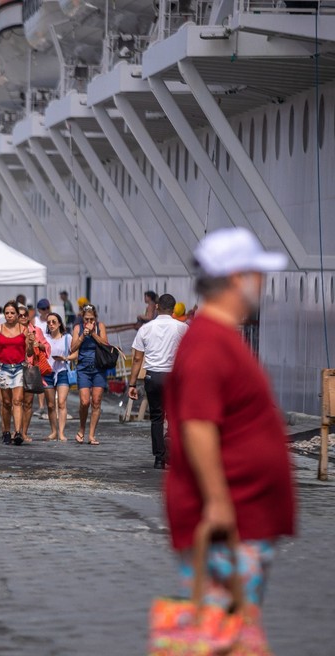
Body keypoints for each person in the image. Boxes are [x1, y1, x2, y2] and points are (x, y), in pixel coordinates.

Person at [164, 227, 294, 626]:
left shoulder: (216, 337)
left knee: (229, 628)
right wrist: (219, 501)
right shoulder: (209, 343)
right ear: (239, 278)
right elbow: (198, 424)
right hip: (230, 515)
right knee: (222, 629)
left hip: (242, 511)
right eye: (258, 273)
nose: (264, 282)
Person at [128, 293, 189, 469]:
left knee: (156, 417)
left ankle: (158, 458)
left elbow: (137, 359)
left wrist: (132, 384)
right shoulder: (182, 327)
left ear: (157, 307)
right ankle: (173, 452)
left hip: (152, 375)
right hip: (173, 376)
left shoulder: (146, 329)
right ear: (174, 309)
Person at [70, 303, 109, 445]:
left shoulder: (100, 327)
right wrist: (82, 336)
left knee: (96, 401)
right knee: (85, 401)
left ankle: (91, 434)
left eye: (91, 319)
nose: (89, 322)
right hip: (83, 368)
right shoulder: (78, 328)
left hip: (99, 367)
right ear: (82, 318)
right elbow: (72, 348)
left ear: (95, 318)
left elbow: (105, 344)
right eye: (86, 319)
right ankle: (81, 428)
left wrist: (93, 333)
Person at [0, 301, 27, 445]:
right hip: (3, 368)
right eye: (7, 313)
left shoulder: (23, 330)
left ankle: (18, 432)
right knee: (6, 402)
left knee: (17, 401)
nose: (9, 315)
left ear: (18, 315)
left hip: (19, 367)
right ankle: (6, 431)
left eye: (12, 313)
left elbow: (28, 351)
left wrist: (31, 343)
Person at [18, 306, 49, 442]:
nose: (23, 317)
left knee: (28, 402)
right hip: (15, 368)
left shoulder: (37, 331)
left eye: (25, 315)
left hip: (30, 368)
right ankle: (12, 430)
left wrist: (39, 345)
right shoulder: (12, 331)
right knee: (14, 401)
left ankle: (23, 432)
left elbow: (47, 346)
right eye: (20, 315)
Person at [42, 312, 74, 441]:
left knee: (61, 403)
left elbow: (75, 353)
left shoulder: (67, 338)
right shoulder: (44, 338)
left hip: (62, 371)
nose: (51, 324)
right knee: (50, 405)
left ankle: (61, 432)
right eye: (49, 322)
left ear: (60, 323)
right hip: (48, 372)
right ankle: (53, 431)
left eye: (54, 321)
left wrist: (65, 358)